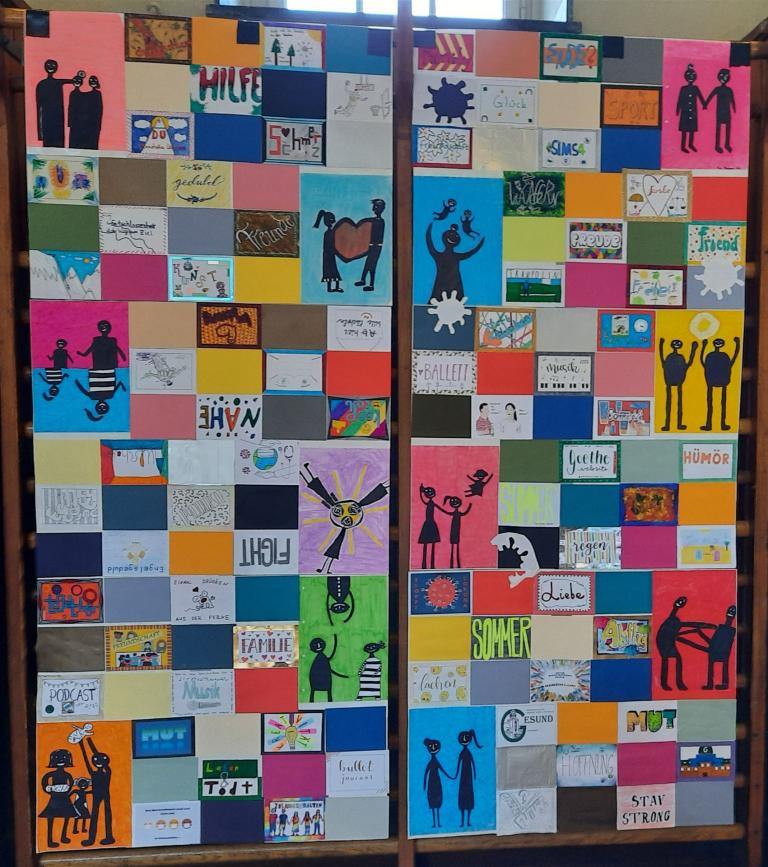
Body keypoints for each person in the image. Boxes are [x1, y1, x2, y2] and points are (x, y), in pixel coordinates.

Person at [39, 749, 77, 848]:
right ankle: (49, 840)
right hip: (55, 798)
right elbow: (44, 781)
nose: (61, 760)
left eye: (63, 758)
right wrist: (49, 789)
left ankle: (63, 836)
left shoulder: (67, 775)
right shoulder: (51, 774)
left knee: (67, 816)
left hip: (64, 798)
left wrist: (67, 789)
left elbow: (71, 783)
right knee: (51, 817)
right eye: (58, 758)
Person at [355, 198, 385, 291]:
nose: (374, 209)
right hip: (372, 246)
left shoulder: (380, 221)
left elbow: (378, 236)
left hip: (377, 247)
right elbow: (367, 221)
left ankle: (371, 285)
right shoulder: (374, 220)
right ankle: (363, 280)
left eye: (376, 207)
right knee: (367, 263)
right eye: (374, 206)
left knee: (372, 265)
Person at [454, 729, 482, 828]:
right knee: (463, 796)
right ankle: (463, 822)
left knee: (468, 797)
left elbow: (473, 763)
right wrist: (456, 774)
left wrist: (474, 773)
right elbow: (459, 764)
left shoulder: (467, 753)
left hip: (467, 777)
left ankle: (468, 821)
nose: (464, 740)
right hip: (464, 777)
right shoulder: (463, 753)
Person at [676, 63, 706, 153]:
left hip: (693, 111)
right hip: (685, 112)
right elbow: (680, 99)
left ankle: (690, 144)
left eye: (693, 75)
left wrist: (704, 104)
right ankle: (683, 146)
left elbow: (700, 97)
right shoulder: (683, 88)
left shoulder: (695, 88)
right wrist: (678, 109)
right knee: (684, 130)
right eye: (689, 75)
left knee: (692, 129)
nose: (691, 77)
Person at [313, 210, 342, 292]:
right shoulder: (329, 233)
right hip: (328, 255)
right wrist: (335, 251)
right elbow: (329, 245)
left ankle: (335, 287)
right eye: (333, 220)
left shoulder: (331, 232)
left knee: (333, 270)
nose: (334, 221)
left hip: (329, 255)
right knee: (330, 271)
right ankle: (330, 288)